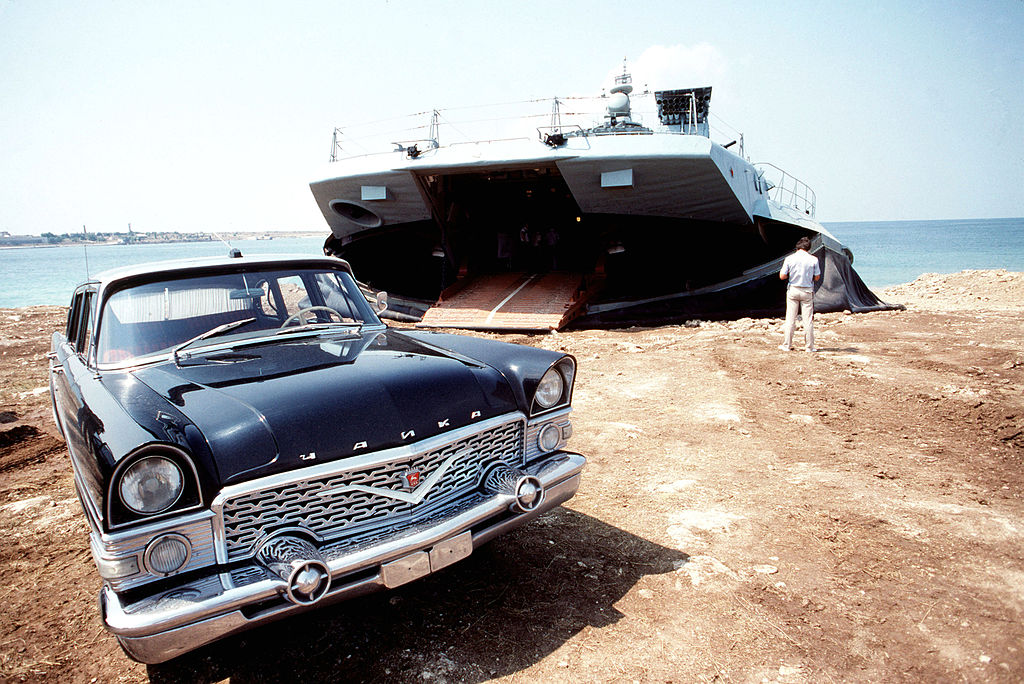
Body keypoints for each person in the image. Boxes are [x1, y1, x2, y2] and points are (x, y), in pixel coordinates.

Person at [779, 236, 821, 351]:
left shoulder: (789, 258)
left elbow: (782, 276)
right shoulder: (814, 259)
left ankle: (787, 345)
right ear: (808, 248)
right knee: (808, 320)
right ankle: (809, 347)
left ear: (797, 247)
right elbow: (817, 277)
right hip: (807, 291)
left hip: (793, 289)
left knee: (790, 319)